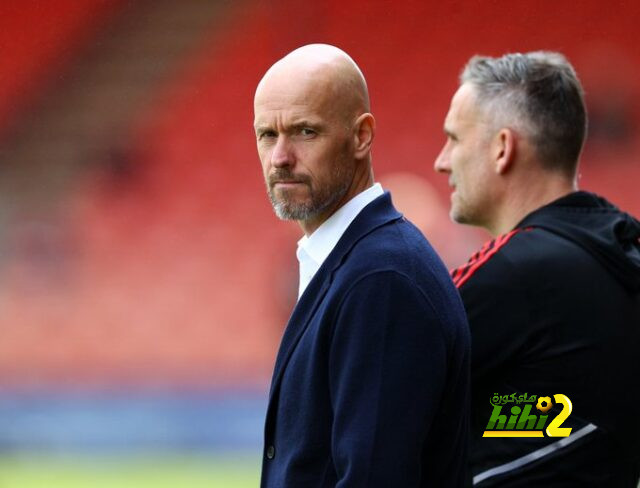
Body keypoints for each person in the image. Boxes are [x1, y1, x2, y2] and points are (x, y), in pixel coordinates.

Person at [254, 44, 470, 487]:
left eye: (305, 132)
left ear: (361, 136)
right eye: (267, 135)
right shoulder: (355, 261)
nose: (280, 157)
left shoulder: (382, 280)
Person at [434, 51, 640, 487]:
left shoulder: (514, 271)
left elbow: (373, 387)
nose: (442, 161)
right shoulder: (618, 254)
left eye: (454, 139)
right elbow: (551, 413)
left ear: (502, 148)